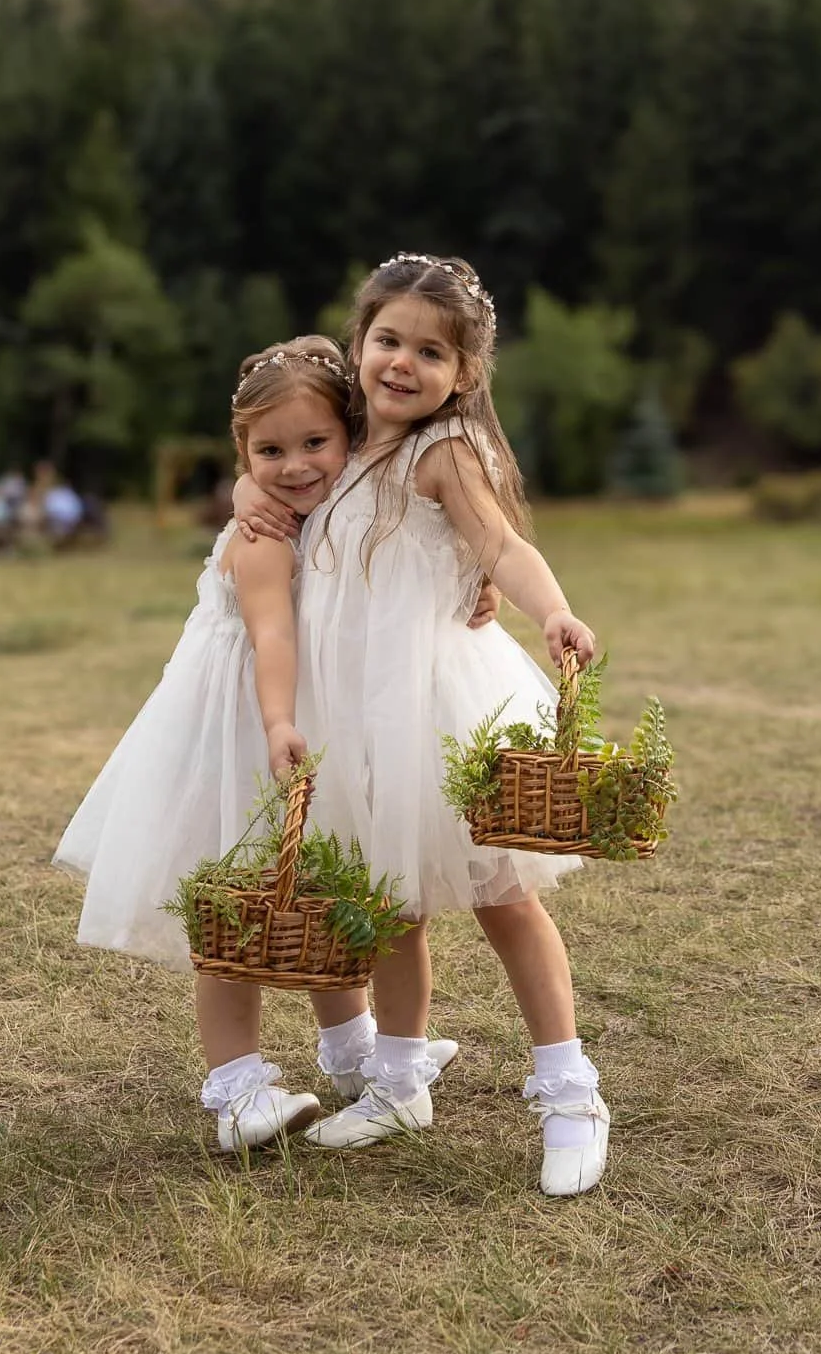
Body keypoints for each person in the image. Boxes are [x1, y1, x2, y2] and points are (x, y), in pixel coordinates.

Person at [235, 254, 606, 1197]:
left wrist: (549, 610)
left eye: (428, 351)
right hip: (352, 709)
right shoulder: (345, 435)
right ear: (358, 344)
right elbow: (270, 454)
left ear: (463, 373)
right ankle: (397, 1078)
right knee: (389, 904)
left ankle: (568, 1088)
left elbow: (501, 545)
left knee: (501, 896)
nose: (401, 362)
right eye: (387, 340)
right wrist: (249, 492)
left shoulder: (442, 451)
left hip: (436, 703)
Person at [53, 336, 465, 1153]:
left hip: (307, 718)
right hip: (243, 719)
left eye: (314, 443)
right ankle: (237, 1089)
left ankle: (352, 1050)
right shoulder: (266, 534)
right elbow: (272, 636)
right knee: (237, 907)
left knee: (322, 884)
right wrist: (279, 721)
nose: (294, 465)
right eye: (266, 452)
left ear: (348, 438)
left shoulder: (345, 500)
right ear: (240, 453)